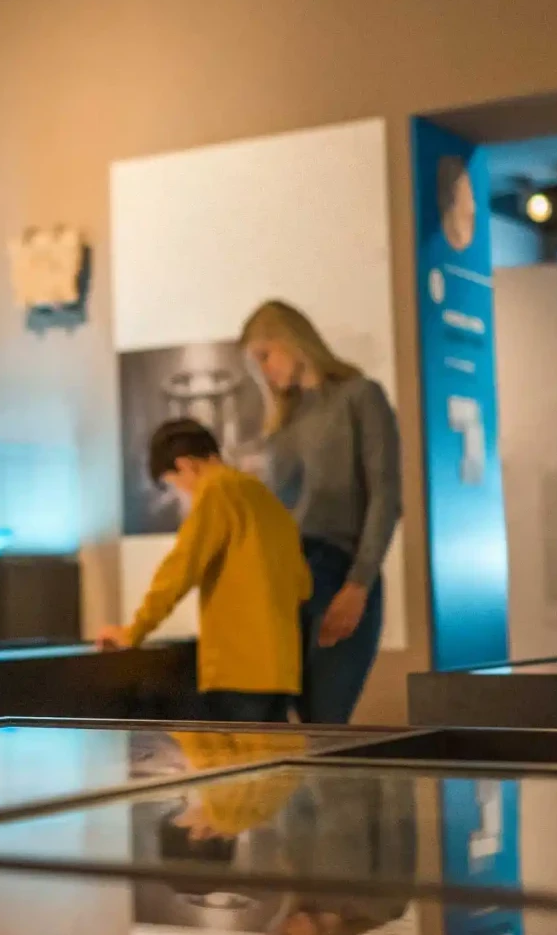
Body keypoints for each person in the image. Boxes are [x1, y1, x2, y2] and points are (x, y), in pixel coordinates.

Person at [241, 301, 401, 724]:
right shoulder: (284, 422)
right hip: (285, 577)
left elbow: (385, 495)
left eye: (265, 356)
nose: (265, 372)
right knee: (283, 722)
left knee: (325, 719)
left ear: (290, 339)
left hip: (338, 570)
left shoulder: (360, 396)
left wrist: (358, 583)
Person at [98, 419, 312, 724]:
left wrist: (134, 631)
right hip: (282, 669)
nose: (183, 493)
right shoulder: (262, 496)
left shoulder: (215, 490)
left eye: (175, 483)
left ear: (185, 465)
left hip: (236, 669)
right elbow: (302, 585)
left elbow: (179, 570)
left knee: (232, 755)